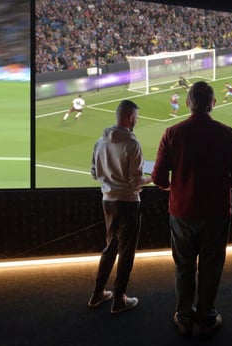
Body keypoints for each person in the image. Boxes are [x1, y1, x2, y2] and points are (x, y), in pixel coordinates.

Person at [152, 81, 232, 336]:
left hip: (182, 211)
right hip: (216, 212)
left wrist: (178, 187)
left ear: (187, 103)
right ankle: (206, 317)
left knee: (183, 266)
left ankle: (184, 317)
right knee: (211, 266)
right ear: (213, 103)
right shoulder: (227, 133)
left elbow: (159, 178)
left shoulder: (172, 133)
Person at [88, 100, 153, 314]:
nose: (137, 120)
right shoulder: (132, 144)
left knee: (110, 247)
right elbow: (135, 181)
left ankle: (97, 294)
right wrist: (150, 178)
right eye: (136, 117)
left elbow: (94, 173)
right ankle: (119, 299)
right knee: (126, 251)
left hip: (108, 201)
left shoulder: (99, 142)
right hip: (128, 203)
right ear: (130, 118)